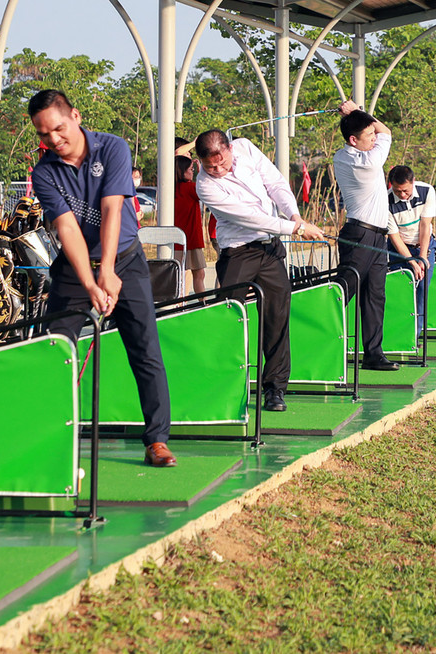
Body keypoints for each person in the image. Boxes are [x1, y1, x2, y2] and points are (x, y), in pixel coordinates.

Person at [28, 90, 176, 467]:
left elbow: (112, 208)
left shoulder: (112, 148)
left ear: (75, 116)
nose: (54, 140)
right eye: (44, 135)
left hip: (125, 260)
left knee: (145, 350)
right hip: (75, 271)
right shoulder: (44, 171)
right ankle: (47, 436)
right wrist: (92, 283)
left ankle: (157, 439)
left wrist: (108, 270)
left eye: (59, 129)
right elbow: (67, 229)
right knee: (56, 349)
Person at [195, 128, 324, 412]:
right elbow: (251, 218)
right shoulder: (204, 185)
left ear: (229, 149)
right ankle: (220, 383)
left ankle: (275, 389)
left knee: (277, 318)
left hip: (270, 249)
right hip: (238, 252)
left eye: (221, 163)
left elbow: (275, 182)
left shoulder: (245, 147)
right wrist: (296, 228)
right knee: (227, 315)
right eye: (209, 166)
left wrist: (294, 214)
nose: (216, 170)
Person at [332, 101, 400, 371]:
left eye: (373, 135)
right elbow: (387, 132)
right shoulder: (367, 160)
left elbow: (381, 132)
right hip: (359, 235)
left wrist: (357, 115)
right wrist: (356, 111)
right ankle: (317, 343)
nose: (374, 138)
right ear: (353, 140)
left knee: (374, 295)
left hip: (377, 237)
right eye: (368, 136)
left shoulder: (349, 153)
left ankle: (373, 353)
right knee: (342, 291)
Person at [385, 164, 436, 325]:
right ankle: (401, 331)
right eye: (397, 190)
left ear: (413, 181)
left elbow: (425, 225)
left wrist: (422, 257)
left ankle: (416, 333)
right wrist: (412, 262)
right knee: (402, 289)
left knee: (422, 289)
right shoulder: (385, 201)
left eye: (405, 191)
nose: (402, 195)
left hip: (424, 244)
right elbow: (394, 236)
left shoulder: (427, 191)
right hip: (399, 248)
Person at [173, 155, 207, 294]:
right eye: (190, 169)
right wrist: (202, 172)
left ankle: (178, 305)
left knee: (177, 276)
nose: (192, 172)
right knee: (199, 275)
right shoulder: (191, 188)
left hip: (175, 240)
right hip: (192, 240)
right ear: (182, 171)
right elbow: (205, 189)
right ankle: (202, 303)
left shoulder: (171, 190)